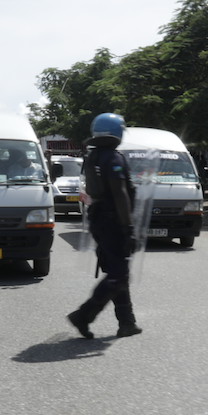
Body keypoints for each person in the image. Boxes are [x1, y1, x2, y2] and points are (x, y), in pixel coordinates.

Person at [67, 113, 143, 340]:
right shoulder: (113, 158)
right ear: (117, 133)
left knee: (117, 272)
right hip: (113, 223)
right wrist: (128, 228)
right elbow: (120, 194)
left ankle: (127, 322)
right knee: (118, 273)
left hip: (99, 220)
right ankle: (84, 315)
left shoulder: (93, 157)